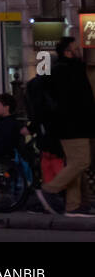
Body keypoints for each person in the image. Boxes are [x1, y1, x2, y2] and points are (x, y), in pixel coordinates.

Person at [39, 36, 95, 216]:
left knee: (76, 164)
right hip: (73, 125)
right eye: (76, 48)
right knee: (81, 161)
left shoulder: (68, 69)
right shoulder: (67, 71)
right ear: (68, 52)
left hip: (73, 124)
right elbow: (77, 101)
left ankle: (74, 205)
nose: (80, 50)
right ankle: (49, 190)